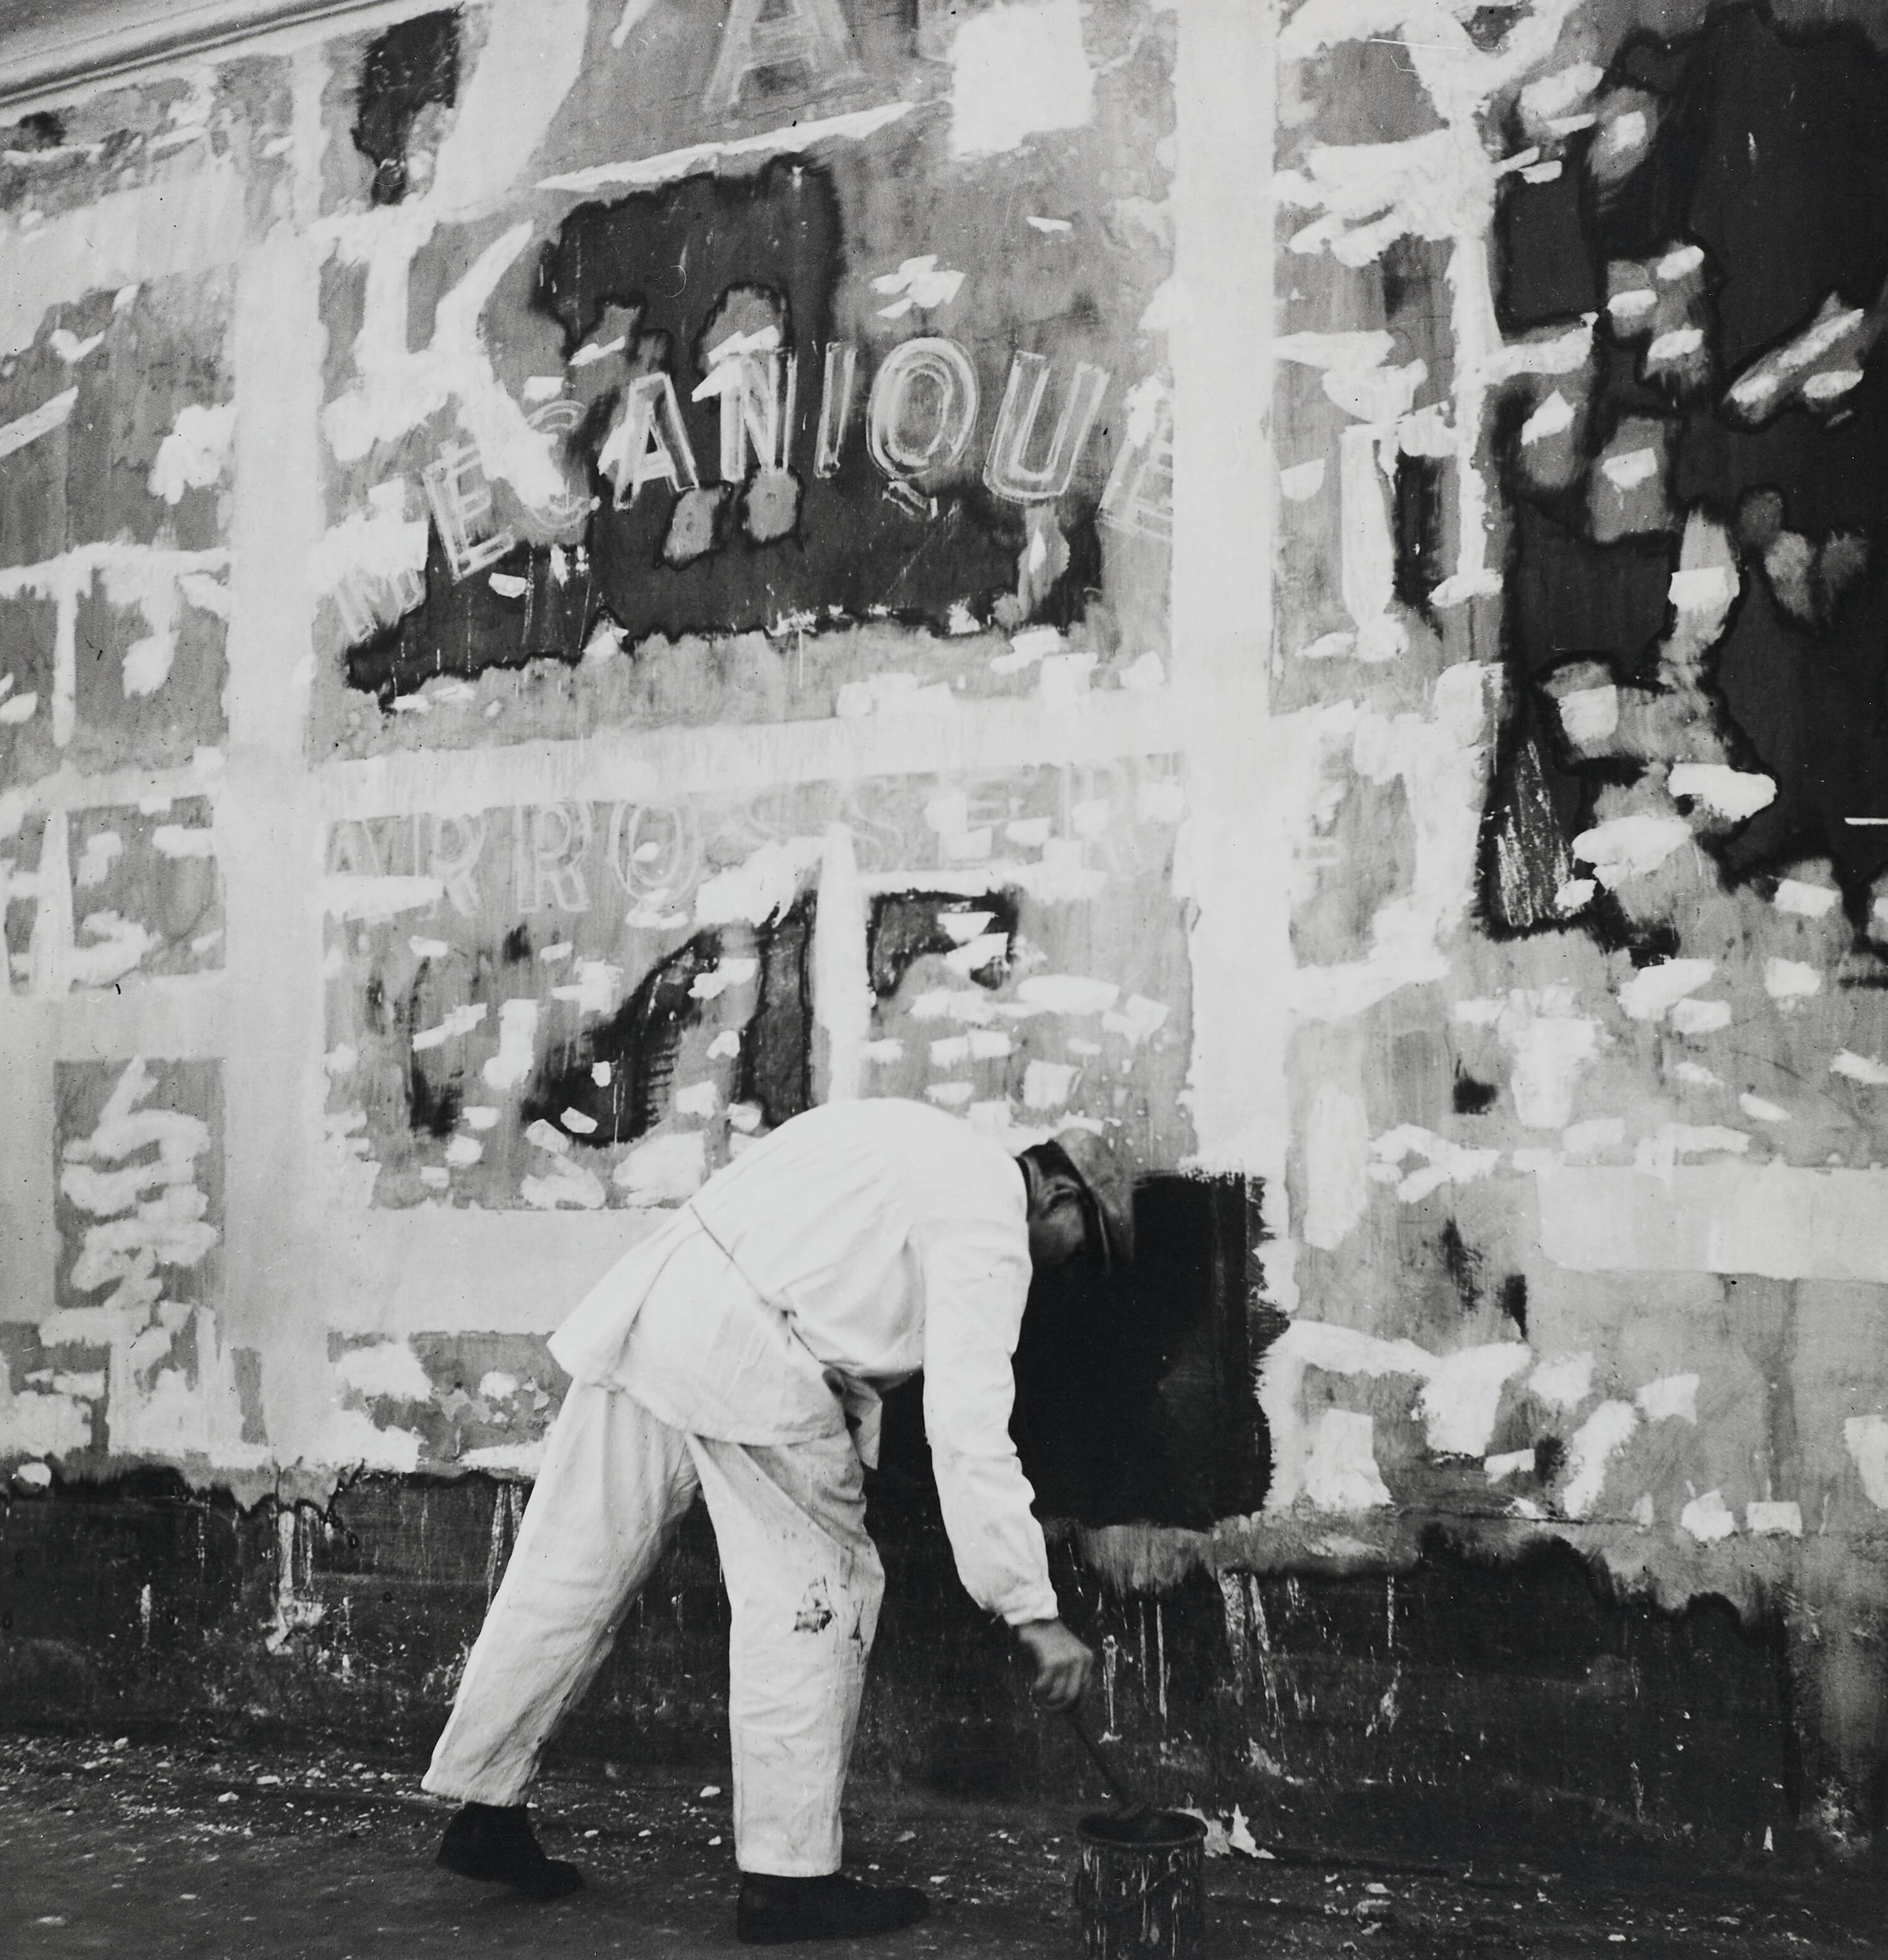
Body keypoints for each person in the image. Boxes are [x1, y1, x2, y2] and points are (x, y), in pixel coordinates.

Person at [421, 1096, 1134, 1943]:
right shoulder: (990, 1223)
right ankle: (789, 1879)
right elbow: (970, 1429)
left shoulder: (912, 1132)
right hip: (751, 1352)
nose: (1069, 1273)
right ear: (1057, 1195)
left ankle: (481, 1800)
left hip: (664, 1299)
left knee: (570, 1565)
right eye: (1083, 1252)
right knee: (819, 1591)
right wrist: (1034, 1610)